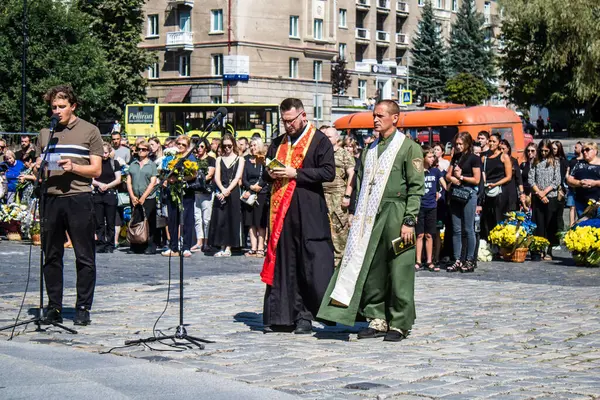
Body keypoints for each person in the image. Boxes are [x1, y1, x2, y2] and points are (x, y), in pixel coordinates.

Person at [318, 100, 424, 342]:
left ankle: (399, 322)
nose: (375, 120)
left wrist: (409, 219)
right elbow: (362, 184)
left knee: (400, 269)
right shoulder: (370, 149)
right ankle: (377, 317)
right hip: (370, 215)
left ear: (395, 118)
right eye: (374, 116)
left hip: (397, 213)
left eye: (381, 116)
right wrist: (355, 213)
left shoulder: (409, 148)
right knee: (374, 267)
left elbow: (416, 188)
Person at [261, 98, 335, 335]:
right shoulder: (278, 143)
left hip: (309, 210)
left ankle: (305, 315)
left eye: (291, 120)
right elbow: (265, 174)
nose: (288, 125)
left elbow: (328, 172)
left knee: (308, 265)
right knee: (285, 263)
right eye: (284, 121)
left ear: (303, 115)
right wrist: (270, 173)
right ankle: (283, 315)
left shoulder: (319, 140)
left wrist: (296, 173)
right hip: (282, 213)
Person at [35, 85, 103, 326]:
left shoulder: (90, 131)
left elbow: (96, 169)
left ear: (73, 106)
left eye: (61, 107)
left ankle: (82, 307)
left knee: (84, 255)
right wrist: (37, 167)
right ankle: (54, 306)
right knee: (51, 255)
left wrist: (73, 167)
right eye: (53, 107)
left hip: (78, 198)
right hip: (51, 198)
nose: (57, 111)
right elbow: (39, 163)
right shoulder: (45, 133)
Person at [445, 132, 481, 272]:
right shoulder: (455, 157)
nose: (458, 146)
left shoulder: (474, 158)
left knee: (468, 228)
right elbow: (448, 174)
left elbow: (476, 180)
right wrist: (453, 178)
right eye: (457, 144)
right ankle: (457, 259)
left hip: (468, 193)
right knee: (456, 229)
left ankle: (470, 259)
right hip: (456, 194)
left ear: (467, 144)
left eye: (461, 144)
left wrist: (462, 177)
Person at [322, 127, 355, 265]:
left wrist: (347, 196)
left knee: (340, 228)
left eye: (328, 137)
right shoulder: (321, 154)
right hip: (322, 195)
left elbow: (352, 175)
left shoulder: (343, 154)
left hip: (338, 195)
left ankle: (340, 262)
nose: (326, 139)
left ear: (337, 139)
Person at [208, 134, 244, 257]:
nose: (227, 148)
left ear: (233, 145)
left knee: (231, 218)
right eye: (225, 146)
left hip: (232, 191)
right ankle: (221, 246)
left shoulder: (240, 159)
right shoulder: (219, 159)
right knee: (220, 218)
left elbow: (238, 176)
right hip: (221, 190)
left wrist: (228, 190)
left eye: (229, 146)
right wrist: (222, 190)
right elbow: (216, 177)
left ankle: (228, 247)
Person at [162, 135, 197, 258]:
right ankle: (173, 246)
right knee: (172, 219)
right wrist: (167, 179)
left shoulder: (190, 157)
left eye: (184, 145)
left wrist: (178, 179)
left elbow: (194, 174)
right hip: (172, 191)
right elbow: (165, 170)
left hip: (186, 192)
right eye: (179, 144)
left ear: (188, 146)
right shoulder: (172, 156)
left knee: (187, 219)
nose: (181, 146)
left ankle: (186, 246)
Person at [529, 139, 561, 260]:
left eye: (546, 151)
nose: (543, 153)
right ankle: (539, 248)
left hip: (550, 196)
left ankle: (549, 249)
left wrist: (545, 192)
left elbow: (556, 180)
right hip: (538, 197)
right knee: (539, 224)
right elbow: (531, 179)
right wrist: (539, 194)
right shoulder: (534, 161)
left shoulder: (555, 162)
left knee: (550, 224)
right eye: (541, 150)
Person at [416, 145, 446, 272]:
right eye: (429, 156)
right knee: (419, 235)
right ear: (423, 158)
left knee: (430, 235)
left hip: (431, 206)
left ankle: (429, 260)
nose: (432, 158)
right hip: (420, 206)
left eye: (433, 156)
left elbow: (444, 184)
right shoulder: (418, 172)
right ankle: (418, 260)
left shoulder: (435, 171)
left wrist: (440, 191)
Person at [127, 141, 159, 254]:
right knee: (136, 220)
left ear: (148, 151)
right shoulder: (133, 164)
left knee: (149, 221)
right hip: (135, 196)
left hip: (148, 197)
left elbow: (153, 182)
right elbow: (129, 181)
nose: (141, 151)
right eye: (139, 149)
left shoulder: (151, 164)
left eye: (144, 149)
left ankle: (150, 245)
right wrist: (132, 196)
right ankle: (135, 245)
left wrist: (144, 196)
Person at [480, 133, 512, 241]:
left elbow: (508, 177)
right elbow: (482, 172)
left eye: (494, 141)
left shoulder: (504, 156)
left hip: (500, 190)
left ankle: (501, 243)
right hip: (487, 189)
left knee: (499, 216)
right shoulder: (485, 157)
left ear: (499, 143)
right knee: (488, 217)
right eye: (490, 141)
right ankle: (490, 242)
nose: (492, 143)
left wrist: (496, 184)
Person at [241, 137, 269, 257]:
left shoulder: (264, 160)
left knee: (260, 222)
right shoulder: (246, 160)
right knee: (251, 222)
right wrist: (250, 187)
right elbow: (243, 178)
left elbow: (267, 176)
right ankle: (253, 246)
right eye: (251, 145)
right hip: (250, 193)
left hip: (262, 193)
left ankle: (261, 247)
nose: (253, 148)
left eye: (255, 145)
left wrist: (259, 186)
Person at [92, 143, 121, 253]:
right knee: (99, 221)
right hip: (98, 194)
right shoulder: (95, 163)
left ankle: (110, 244)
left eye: (106, 152)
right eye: (102, 152)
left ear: (109, 153)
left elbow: (118, 179)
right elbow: (90, 178)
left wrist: (107, 186)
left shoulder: (114, 163)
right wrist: (99, 184)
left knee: (110, 221)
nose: (104, 155)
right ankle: (100, 243)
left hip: (110, 194)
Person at [191, 138, 216, 253]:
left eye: (201, 146)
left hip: (206, 191)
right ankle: (199, 241)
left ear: (206, 147)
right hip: (196, 192)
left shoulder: (211, 159)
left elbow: (210, 175)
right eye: (198, 147)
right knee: (197, 218)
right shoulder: (194, 160)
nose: (199, 149)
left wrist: (197, 181)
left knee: (206, 218)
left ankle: (206, 242)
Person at [567, 142, 600, 219]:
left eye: (587, 149)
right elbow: (569, 180)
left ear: (595, 151)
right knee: (583, 228)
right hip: (581, 203)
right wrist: (579, 183)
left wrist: (594, 183)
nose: (584, 152)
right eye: (583, 150)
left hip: (598, 204)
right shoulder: (579, 164)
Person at [499, 139, 525, 212]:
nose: (501, 151)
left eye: (503, 149)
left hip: (511, 192)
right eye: (499, 149)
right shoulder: (496, 161)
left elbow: (519, 178)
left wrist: (522, 193)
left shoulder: (513, 161)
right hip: (500, 192)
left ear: (508, 149)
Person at [552, 140, 569, 234]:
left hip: (559, 189)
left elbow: (565, 177)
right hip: (549, 189)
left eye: (554, 148)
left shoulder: (563, 161)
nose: (552, 150)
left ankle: (559, 234)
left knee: (558, 214)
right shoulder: (548, 160)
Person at [566, 142, 584, 226]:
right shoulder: (572, 160)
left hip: (582, 189)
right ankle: (571, 225)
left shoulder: (585, 162)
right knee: (572, 207)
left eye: (576, 147)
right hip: (572, 188)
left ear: (581, 148)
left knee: (582, 210)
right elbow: (567, 172)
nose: (574, 149)